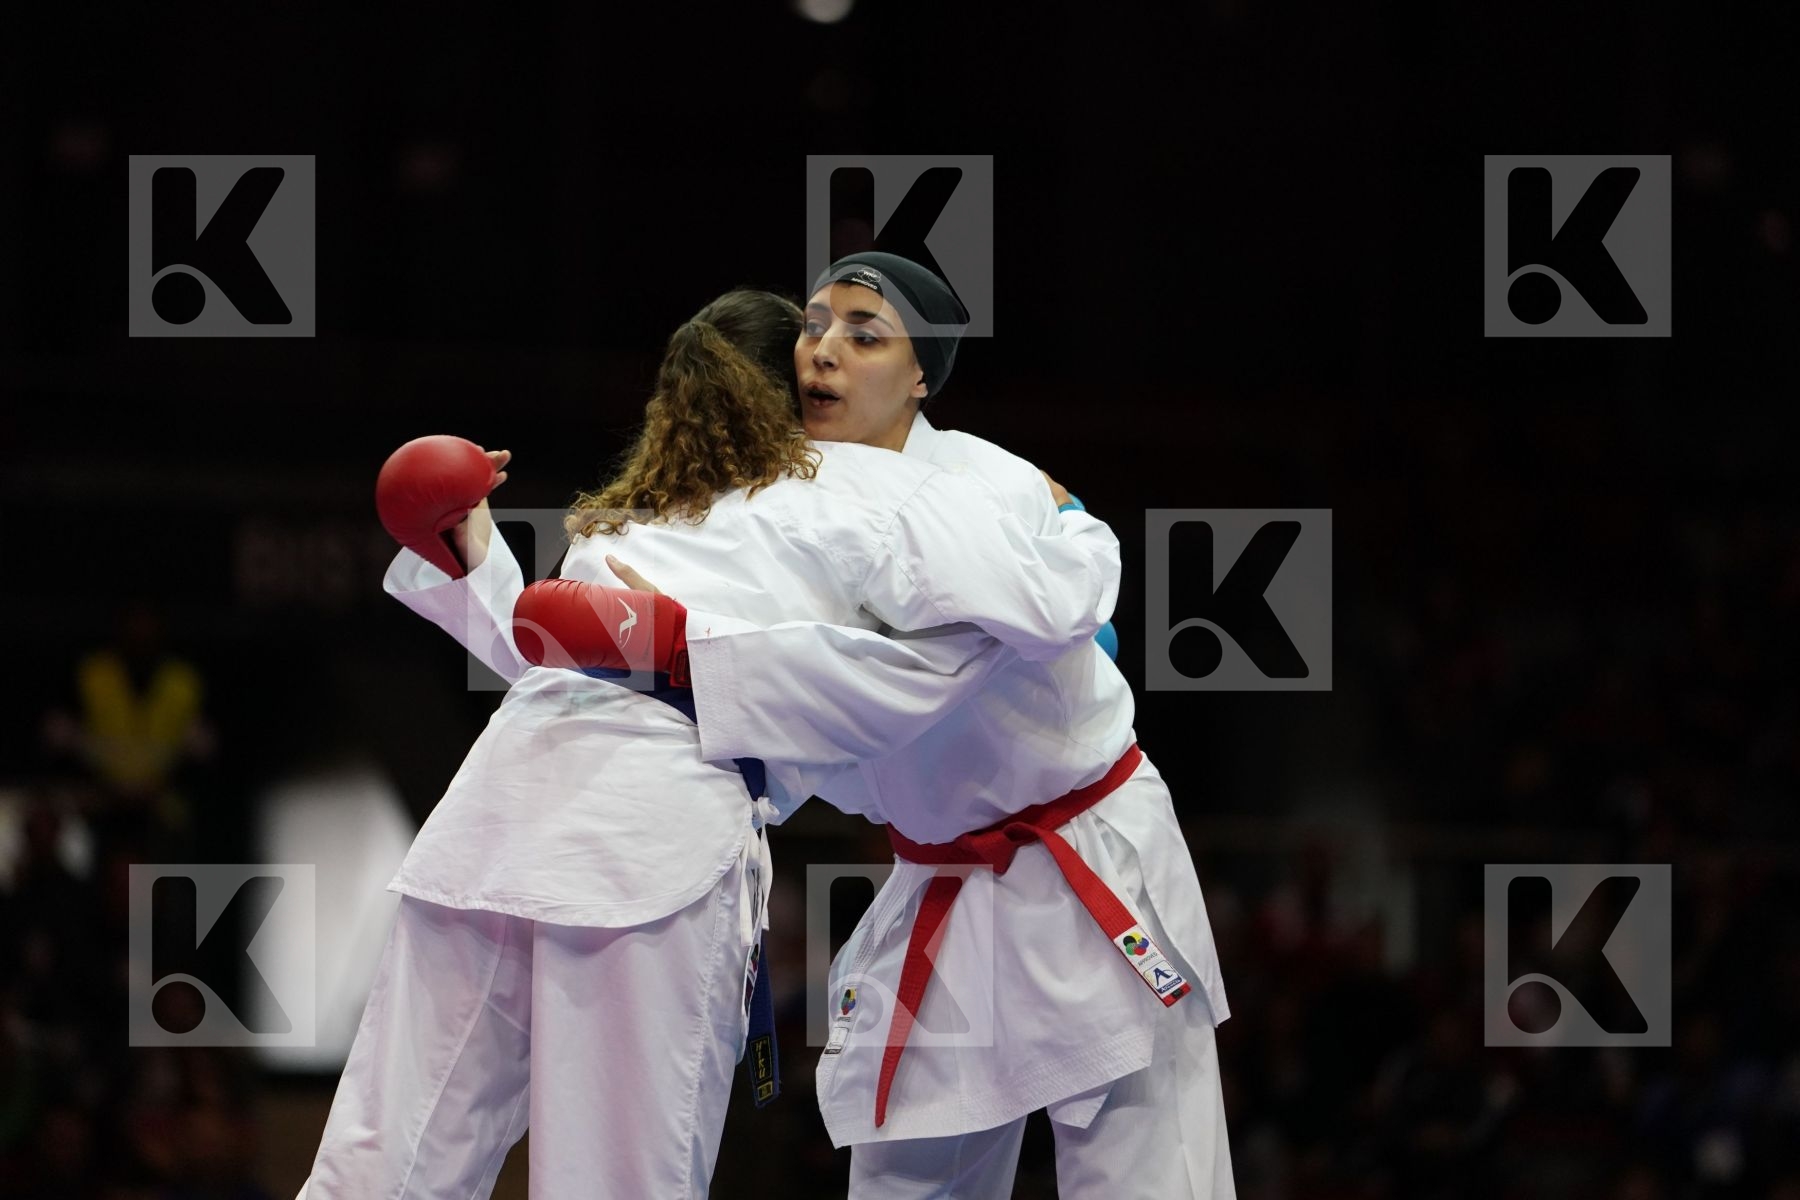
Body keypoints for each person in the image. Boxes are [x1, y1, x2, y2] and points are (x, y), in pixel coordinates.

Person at [296, 287, 1121, 1200]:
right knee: (611, 1181)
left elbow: (547, 652)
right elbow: (991, 632)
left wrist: (474, 551)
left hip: (490, 826)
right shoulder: (852, 490)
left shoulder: (624, 518)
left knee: (384, 1161)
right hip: (644, 847)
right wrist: (1072, 541)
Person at [612, 254, 1236, 1197]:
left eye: (866, 335)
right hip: (938, 870)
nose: (824, 350)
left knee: (1147, 1167)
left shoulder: (983, 480)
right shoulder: (777, 503)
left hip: (1083, 855)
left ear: (920, 377)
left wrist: (1075, 532)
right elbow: (827, 727)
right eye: (814, 327)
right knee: (907, 1169)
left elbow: (1067, 599)